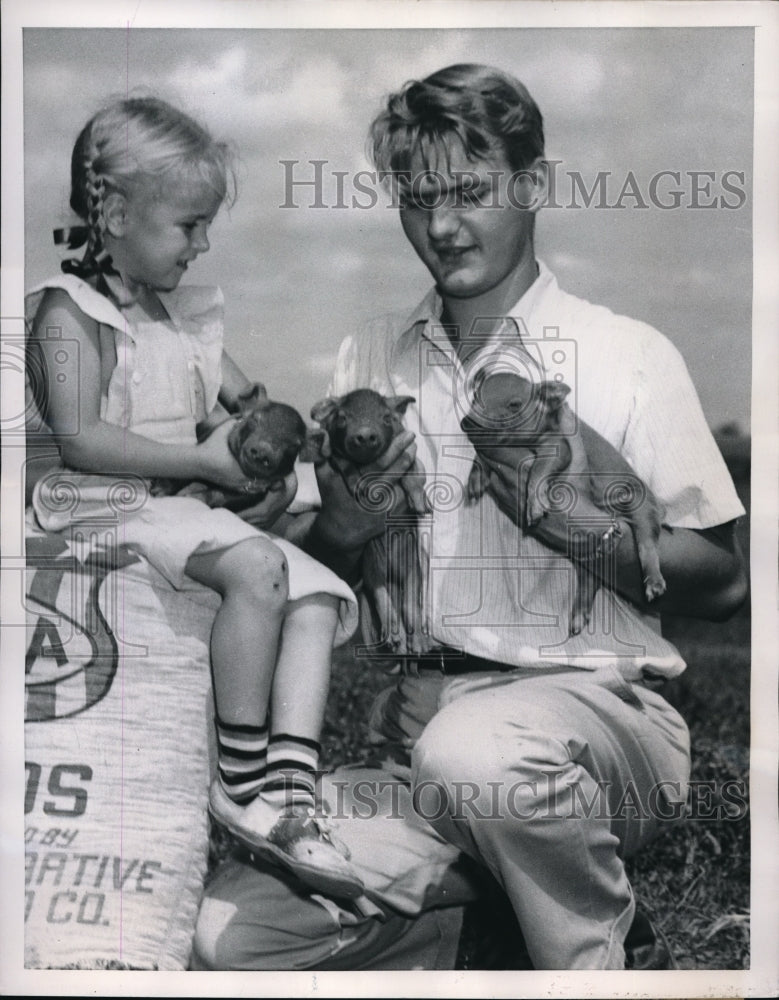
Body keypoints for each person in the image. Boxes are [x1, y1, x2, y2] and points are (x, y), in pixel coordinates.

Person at [193, 64, 747, 970]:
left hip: (604, 732)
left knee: (477, 754)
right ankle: (488, 922)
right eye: (416, 199)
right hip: (421, 741)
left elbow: (723, 584)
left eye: (467, 194)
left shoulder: (628, 354)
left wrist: (568, 522)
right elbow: (319, 566)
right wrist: (340, 528)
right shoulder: (369, 355)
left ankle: (597, 962)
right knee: (231, 940)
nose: (440, 227)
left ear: (531, 184)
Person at [26, 95, 364, 900]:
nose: (203, 243)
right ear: (112, 213)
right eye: (189, 225)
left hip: (174, 506)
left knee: (315, 594)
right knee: (255, 566)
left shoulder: (183, 321)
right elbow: (80, 437)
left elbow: (243, 408)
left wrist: (274, 454)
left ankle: (289, 786)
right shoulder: (69, 313)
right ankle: (239, 779)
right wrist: (203, 466)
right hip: (96, 502)